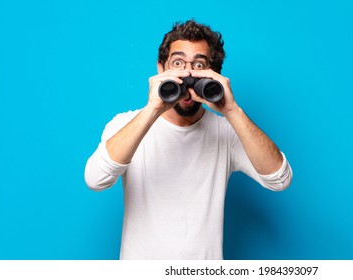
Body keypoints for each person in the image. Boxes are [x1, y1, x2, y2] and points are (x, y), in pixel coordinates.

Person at [84, 19, 293, 260]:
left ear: (214, 74)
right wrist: (153, 109)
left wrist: (231, 110)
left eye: (199, 65)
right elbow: (95, 179)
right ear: (161, 69)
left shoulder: (226, 132)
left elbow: (280, 180)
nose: (188, 73)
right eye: (178, 63)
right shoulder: (126, 124)